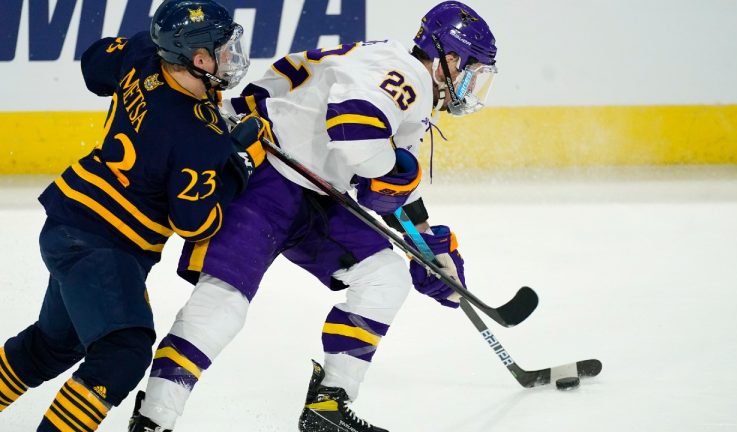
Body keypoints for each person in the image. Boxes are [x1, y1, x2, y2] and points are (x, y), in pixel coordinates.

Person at [130, 1, 498, 431]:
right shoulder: (406, 74)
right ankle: (154, 419)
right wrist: (389, 175)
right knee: (223, 302)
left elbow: (382, 183)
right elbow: (357, 138)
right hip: (266, 175)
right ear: (449, 60)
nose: (472, 86)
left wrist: (424, 244)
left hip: (315, 192)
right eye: (472, 72)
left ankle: (329, 407)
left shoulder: (405, 82)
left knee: (384, 276)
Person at [0, 0, 263, 430]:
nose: (231, 56)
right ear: (197, 58)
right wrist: (238, 166)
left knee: (53, 345)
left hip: (69, 223)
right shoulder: (201, 139)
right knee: (123, 351)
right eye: (221, 48)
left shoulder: (145, 53)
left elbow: (93, 67)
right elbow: (195, 222)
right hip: (104, 246)